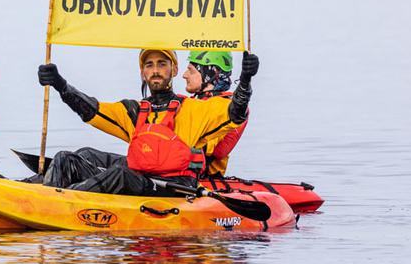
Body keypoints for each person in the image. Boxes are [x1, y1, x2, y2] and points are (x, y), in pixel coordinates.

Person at [34, 47, 258, 196]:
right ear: (143, 72)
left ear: (173, 69)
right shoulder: (135, 110)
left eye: (162, 64)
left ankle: (58, 199)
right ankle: (35, 190)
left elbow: (235, 114)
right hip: (143, 175)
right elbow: (92, 110)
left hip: (176, 187)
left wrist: (246, 80)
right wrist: (60, 85)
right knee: (67, 158)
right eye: (149, 65)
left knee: (122, 173)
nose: (155, 70)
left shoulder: (194, 109)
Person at [183, 49, 245, 178]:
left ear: (209, 74)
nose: (184, 75)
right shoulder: (190, 103)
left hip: (202, 178)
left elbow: (215, 150)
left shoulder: (227, 108)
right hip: (181, 176)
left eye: (191, 71)